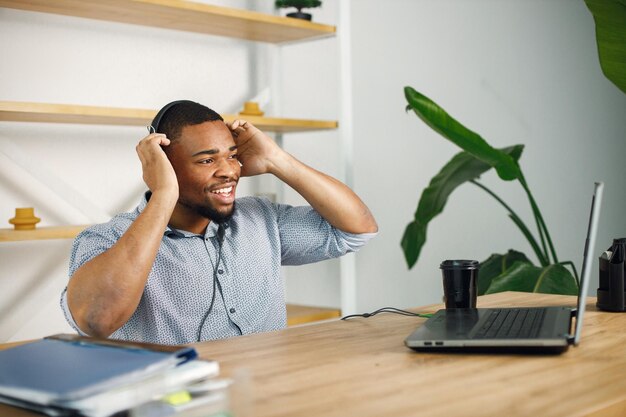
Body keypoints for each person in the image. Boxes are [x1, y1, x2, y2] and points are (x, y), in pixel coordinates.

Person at [60, 100, 377, 345]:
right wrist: (165, 192)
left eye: (233, 155)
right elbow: (98, 320)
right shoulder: (105, 240)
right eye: (207, 160)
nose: (229, 170)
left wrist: (276, 160)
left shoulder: (260, 219)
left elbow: (356, 229)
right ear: (163, 165)